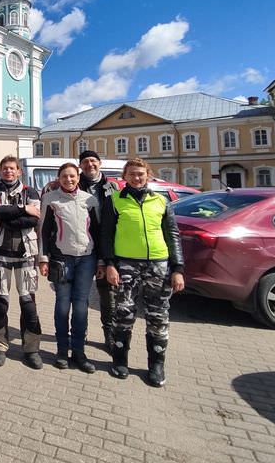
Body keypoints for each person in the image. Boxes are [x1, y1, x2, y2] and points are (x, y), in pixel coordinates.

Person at [100, 157, 185, 387]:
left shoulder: (161, 201)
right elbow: (105, 235)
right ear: (124, 177)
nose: (136, 178)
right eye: (132, 174)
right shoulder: (115, 200)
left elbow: (173, 235)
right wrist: (109, 264)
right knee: (124, 313)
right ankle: (120, 359)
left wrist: (178, 268)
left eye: (141, 174)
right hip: (125, 264)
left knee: (158, 317)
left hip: (159, 264)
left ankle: (156, 364)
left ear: (148, 175)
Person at [42, 150, 119, 353]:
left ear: (100, 163)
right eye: (85, 162)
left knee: (106, 294)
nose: (89, 165)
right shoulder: (74, 184)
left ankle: (108, 334)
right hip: (71, 248)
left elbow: (114, 213)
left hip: (102, 245)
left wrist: (105, 257)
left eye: (93, 161)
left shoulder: (111, 186)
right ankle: (78, 339)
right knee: (71, 302)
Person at [0, 155, 44, 369]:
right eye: (5, 169)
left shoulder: (31, 192)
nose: (8, 172)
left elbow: (33, 219)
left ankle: (31, 348)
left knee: (28, 304)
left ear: (19, 171)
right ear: (0, 172)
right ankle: (0, 346)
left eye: (12, 168)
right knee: (1, 302)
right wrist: (21, 209)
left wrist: (6, 216)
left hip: (25, 254)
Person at [39, 162, 99, 374]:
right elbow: (43, 231)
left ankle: (79, 352)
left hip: (86, 259)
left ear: (78, 177)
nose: (69, 180)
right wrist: (43, 258)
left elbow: (98, 231)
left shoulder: (90, 200)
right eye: (64, 176)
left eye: (72, 176)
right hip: (61, 259)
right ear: (59, 177)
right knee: (63, 305)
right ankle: (62, 351)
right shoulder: (50, 198)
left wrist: (100, 261)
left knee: (81, 305)